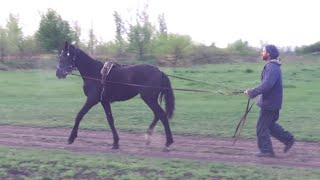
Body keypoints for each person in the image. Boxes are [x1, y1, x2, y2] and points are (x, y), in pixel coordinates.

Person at [244, 44, 295, 158]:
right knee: (270, 126)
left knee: (261, 127)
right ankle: (288, 139)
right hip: (272, 102)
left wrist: (253, 92)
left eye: (263, 51)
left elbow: (267, 85)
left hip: (270, 104)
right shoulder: (273, 66)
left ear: (269, 54)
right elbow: (268, 86)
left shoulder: (272, 67)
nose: (261, 53)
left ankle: (267, 151)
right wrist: (254, 92)